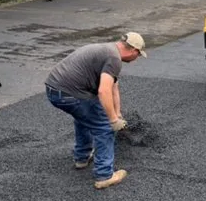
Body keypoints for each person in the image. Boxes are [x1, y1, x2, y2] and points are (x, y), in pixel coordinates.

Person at [44, 32, 146, 189]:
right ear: (134, 51)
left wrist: (117, 113)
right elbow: (103, 91)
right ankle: (104, 175)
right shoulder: (114, 59)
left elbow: (113, 86)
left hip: (54, 89)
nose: (137, 59)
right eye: (138, 55)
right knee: (103, 127)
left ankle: (82, 158)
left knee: (84, 117)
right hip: (70, 93)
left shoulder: (108, 50)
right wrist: (112, 120)